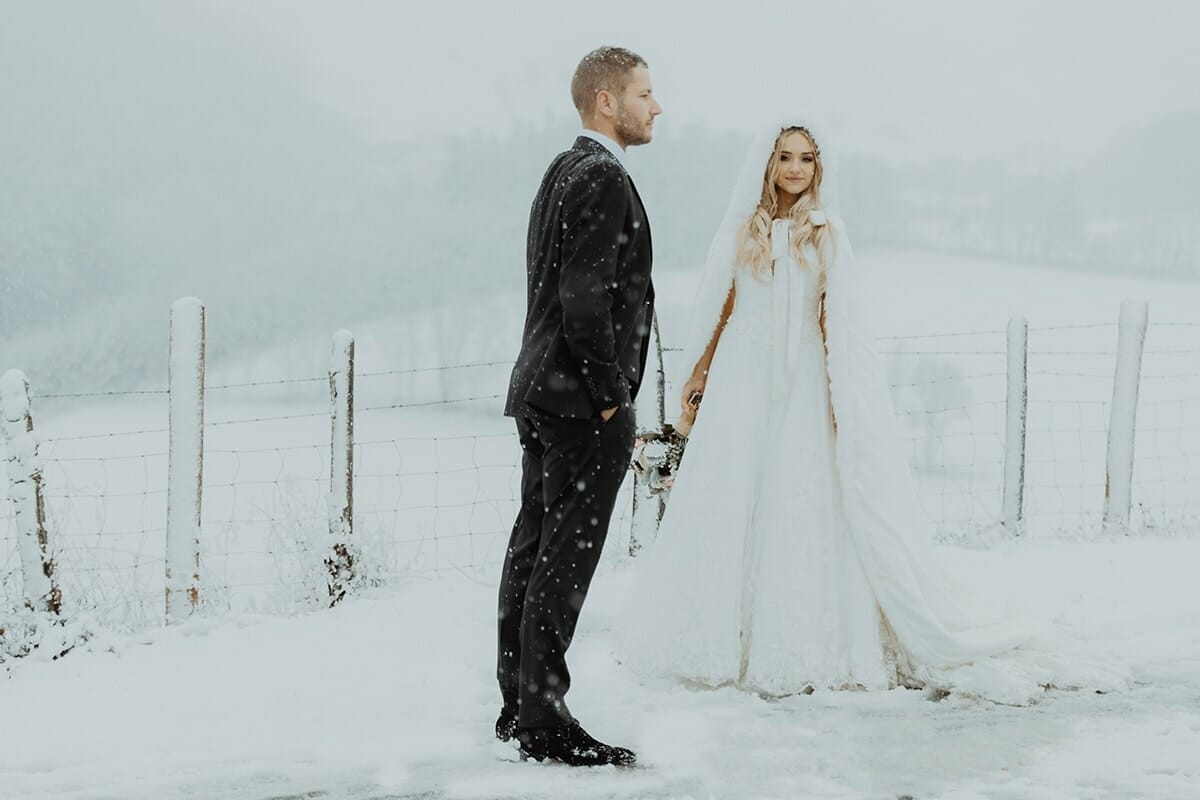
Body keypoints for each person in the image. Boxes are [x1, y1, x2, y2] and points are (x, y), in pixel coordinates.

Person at [622, 116, 1067, 702]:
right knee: (733, 497)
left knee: (798, 495)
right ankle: (724, 634)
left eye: (806, 159)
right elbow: (723, 304)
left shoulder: (828, 232)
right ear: (768, 164)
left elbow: (836, 318)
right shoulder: (745, 229)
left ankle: (796, 634)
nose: (795, 169)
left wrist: (839, 393)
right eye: (785, 157)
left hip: (803, 375)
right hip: (743, 376)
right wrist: (700, 371)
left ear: (819, 168)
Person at [497, 45, 660, 766]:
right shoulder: (603, 180)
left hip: (542, 390)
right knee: (563, 560)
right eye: (644, 94)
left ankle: (520, 705)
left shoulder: (563, 170)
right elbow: (583, 298)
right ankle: (546, 724)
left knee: (533, 549)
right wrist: (610, 399)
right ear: (607, 102)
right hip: (577, 401)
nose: (656, 107)